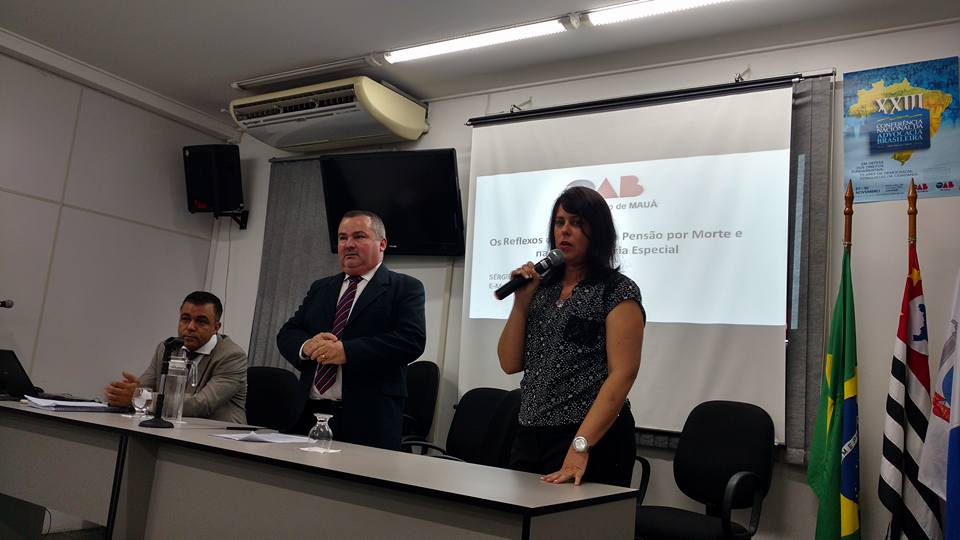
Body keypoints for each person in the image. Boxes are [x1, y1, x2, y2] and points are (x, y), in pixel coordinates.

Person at [497, 186, 645, 487]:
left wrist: (580, 446)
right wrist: (521, 301)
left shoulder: (617, 291)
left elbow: (623, 374)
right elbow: (509, 363)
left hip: (590, 438)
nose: (564, 231)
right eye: (559, 222)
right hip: (531, 432)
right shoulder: (542, 289)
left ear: (598, 232)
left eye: (576, 223)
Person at [277, 210, 426, 450]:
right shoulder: (321, 287)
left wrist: (347, 351)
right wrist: (307, 346)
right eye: (342, 238)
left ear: (382, 244)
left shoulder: (404, 287)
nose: (348, 245)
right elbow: (288, 332)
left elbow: (411, 341)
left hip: (368, 420)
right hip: (308, 414)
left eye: (359, 236)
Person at [105, 291, 248, 423]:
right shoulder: (168, 348)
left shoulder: (232, 356)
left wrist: (139, 398)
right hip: (173, 428)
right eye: (185, 319)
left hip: (218, 436)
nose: (190, 327)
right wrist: (122, 394)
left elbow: (202, 404)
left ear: (216, 327)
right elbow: (143, 389)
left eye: (201, 321)